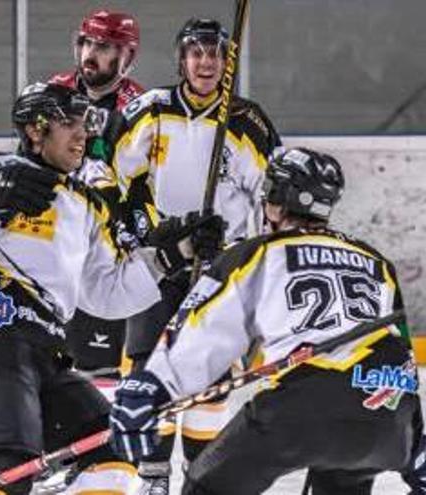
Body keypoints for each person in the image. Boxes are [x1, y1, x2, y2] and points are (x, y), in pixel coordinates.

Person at [109, 148, 426, 495]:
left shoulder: (256, 253)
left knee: (205, 486)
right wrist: (414, 437)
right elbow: (400, 351)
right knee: (346, 474)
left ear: (273, 201)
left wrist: (151, 387)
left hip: (299, 409)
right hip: (384, 415)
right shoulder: (378, 263)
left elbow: (203, 335)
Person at [0, 82, 169, 494]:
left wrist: (168, 257)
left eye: (85, 124)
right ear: (35, 130)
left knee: (112, 459)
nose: (82, 134)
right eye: (68, 123)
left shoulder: (87, 203)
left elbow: (105, 292)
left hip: (46, 349)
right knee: (8, 471)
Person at [111, 17, 282, 493]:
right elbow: (113, 180)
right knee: (148, 367)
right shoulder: (152, 110)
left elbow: (273, 200)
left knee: (210, 375)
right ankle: (154, 473)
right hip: (159, 262)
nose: (205, 62)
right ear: (181, 59)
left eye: (215, 53)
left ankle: (201, 473)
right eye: (196, 52)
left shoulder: (247, 122)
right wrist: (146, 231)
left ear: (227, 61)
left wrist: (248, 254)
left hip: (221, 270)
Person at [48, 8, 145, 396]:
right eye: (87, 42)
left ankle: (97, 445)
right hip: (55, 237)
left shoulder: (140, 106)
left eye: (104, 46)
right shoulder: (55, 93)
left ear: (126, 56)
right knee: (51, 352)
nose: (91, 53)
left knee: (97, 364)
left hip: (104, 244)